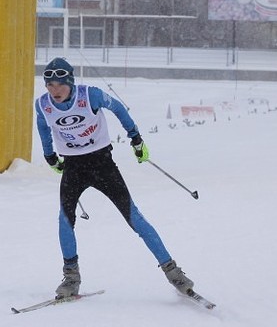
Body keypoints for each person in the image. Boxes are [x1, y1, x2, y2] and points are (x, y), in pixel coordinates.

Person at [35, 57, 194, 299]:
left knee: (135, 219)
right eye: (50, 85)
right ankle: (71, 278)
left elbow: (118, 108)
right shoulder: (43, 104)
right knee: (64, 221)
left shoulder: (90, 95)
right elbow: (44, 128)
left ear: (70, 82)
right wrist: (50, 156)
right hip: (73, 168)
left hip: (102, 164)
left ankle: (174, 273)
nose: (55, 90)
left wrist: (136, 138)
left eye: (60, 85)